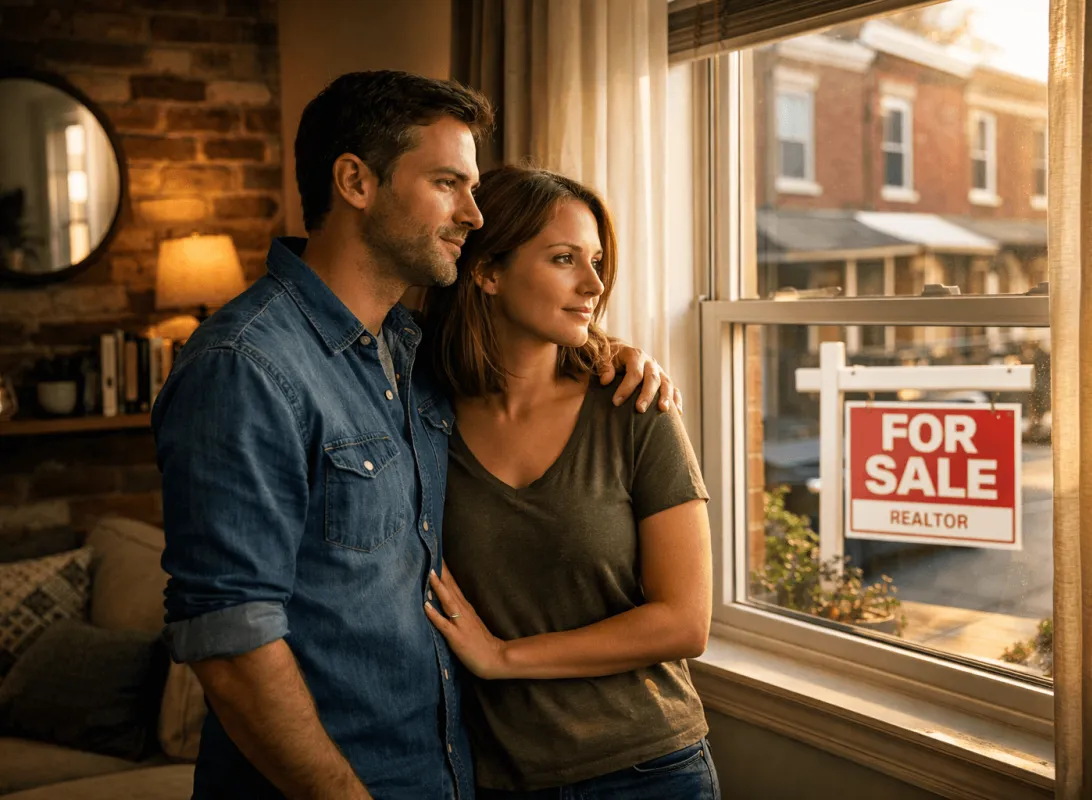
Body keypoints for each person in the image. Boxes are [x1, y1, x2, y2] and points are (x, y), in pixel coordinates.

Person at [152, 72, 677, 800]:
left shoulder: (409, 353)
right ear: (355, 181)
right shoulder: (247, 367)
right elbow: (230, 640)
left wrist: (610, 354)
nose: (474, 214)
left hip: (447, 773)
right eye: (447, 184)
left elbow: (516, 346)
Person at [422, 165, 719, 799]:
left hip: (648, 769)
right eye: (564, 259)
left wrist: (502, 657)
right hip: (493, 778)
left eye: (597, 260)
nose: (594, 284)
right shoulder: (419, 413)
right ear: (487, 272)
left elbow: (685, 622)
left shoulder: (634, 407)